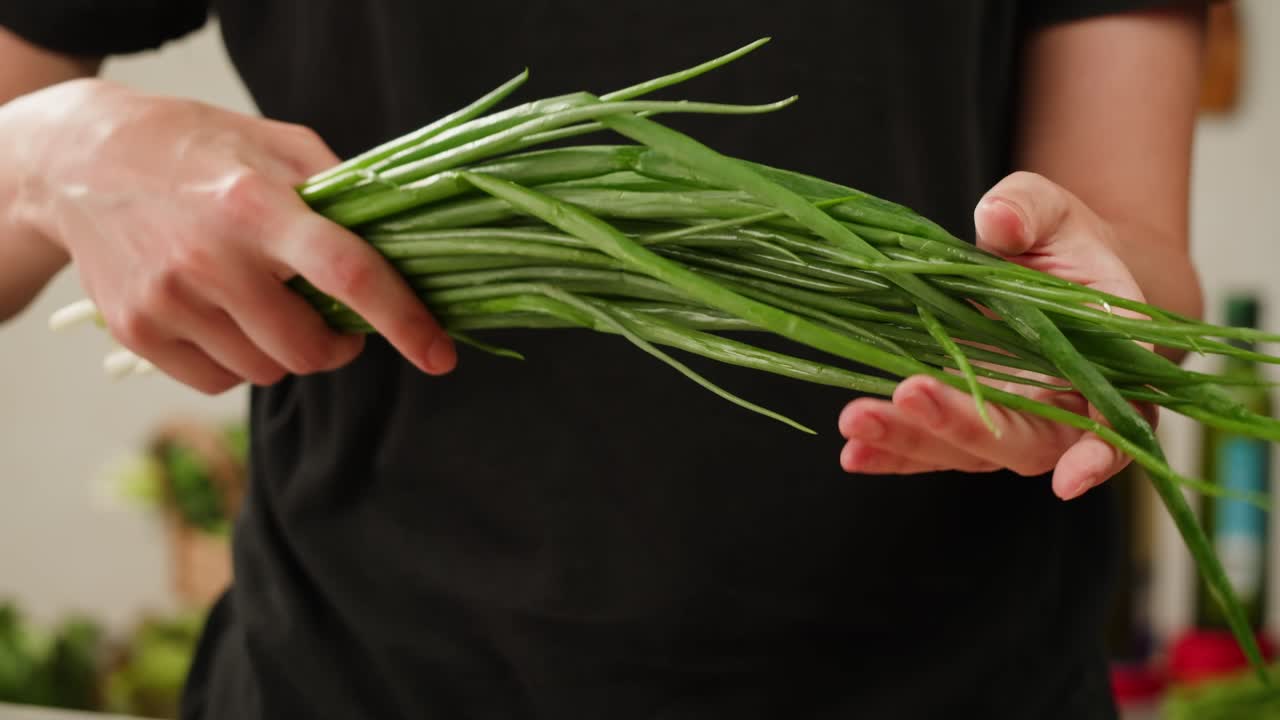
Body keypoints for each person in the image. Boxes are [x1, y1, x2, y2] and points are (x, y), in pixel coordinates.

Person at [0, 2, 1207, 718]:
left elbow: (1131, 246)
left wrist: (1086, 340)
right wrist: (51, 152)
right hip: (361, 680)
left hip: (951, 684)